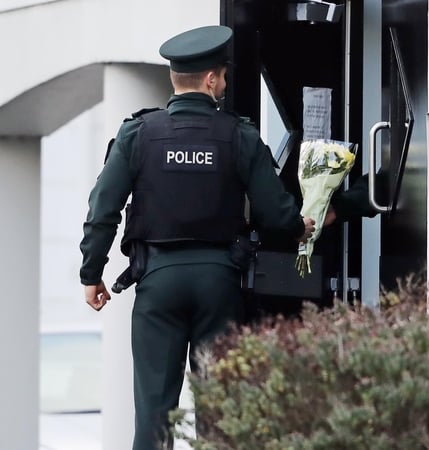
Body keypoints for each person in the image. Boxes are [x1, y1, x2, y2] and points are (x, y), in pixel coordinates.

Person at [78, 25, 315, 450]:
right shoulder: (239, 135)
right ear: (210, 80)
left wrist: (91, 272)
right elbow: (276, 215)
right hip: (219, 284)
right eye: (222, 76)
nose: (224, 83)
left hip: (157, 284)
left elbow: (102, 210)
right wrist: (302, 226)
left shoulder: (138, 134)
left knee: (154, 412)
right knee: (220, 410)